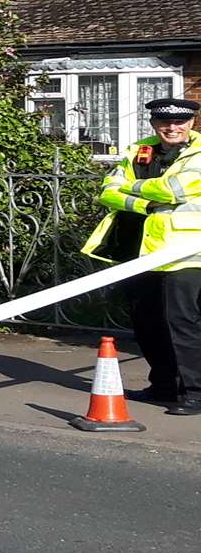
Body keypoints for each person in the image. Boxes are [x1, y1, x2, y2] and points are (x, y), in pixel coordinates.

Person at [83, 96, 201, 413]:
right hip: (142, 251)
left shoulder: (199, 153)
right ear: (154, 124)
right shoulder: (140, 151)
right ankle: (163, 386)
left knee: (183, 324)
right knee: (146, 323)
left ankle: (196, 392)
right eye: (164, 122)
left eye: (179, 122)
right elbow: (108, 190)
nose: (171, 127)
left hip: (187, 254)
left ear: (191, 123)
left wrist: (134, 187)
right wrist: (145, 202)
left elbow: (174, 190)